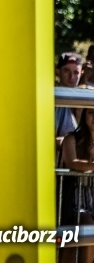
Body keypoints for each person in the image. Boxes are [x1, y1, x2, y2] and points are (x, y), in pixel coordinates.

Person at [59, 108, 94, 263]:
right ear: (84, 115)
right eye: (91, 112)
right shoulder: (72, 139)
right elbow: (72, 162)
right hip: (74, 202)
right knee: (86, 226)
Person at [56, 52, 83, 154]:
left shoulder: (85, 98)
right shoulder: (51, 98)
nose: (71, 78)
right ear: (58, 71)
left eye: (76, 73)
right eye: (66, 71)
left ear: (82, 73)